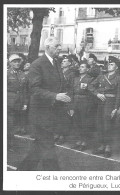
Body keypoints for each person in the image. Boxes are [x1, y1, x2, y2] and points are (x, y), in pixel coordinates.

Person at [17, 37, 71, 171]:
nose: (60, 48)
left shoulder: (56, 63)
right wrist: (55, 96)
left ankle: (21, 173)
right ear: (48, 47)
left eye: (60, 46)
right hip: (40, 115)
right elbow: (34, 89)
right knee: (48, 148)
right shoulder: (37, 64)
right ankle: (54, 180)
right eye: (57, 46)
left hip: (51, 114)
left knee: (39, 147)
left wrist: (64, 99)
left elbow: (59, 85)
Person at [88, 56, 120, 158]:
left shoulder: (119, 77)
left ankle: (108, 146)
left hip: (110, 103)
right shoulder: (102, 76)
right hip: (101, 102)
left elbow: (119, 93)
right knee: (99, 124)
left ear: (116, 67)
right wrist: (97, 94)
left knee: (108, 125)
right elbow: (90, 86)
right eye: (108, 64)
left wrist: (116, 107)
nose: (109, 66)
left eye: (112, 64)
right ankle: (101, 145)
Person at [68, 61, 94, 151]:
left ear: (87, 69)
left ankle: (84, 141)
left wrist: (89, 106)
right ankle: (79, 140)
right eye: (80, 67)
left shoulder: (90, 79)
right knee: (76, 122)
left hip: (84, 102)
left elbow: (91, 94)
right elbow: (71, 92)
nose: (80, 68)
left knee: (84, 122)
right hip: (75, 101)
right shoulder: (75, 79)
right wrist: (70, 106)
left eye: (83, 67)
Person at [7, 54, 29, 150]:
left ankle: (10, 143)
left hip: (18, 103)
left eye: (18, 61)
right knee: (9, 124)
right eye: (14, 61)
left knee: (14, 124)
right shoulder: (6, 73)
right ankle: (9, 144)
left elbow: (25, 90)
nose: (17, 63)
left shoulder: (22, 74)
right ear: (10, 63)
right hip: (8, 102)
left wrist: (25, 103)